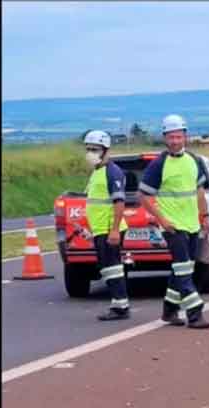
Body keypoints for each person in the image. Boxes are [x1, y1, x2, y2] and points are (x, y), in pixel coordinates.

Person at [137, 114, 209, 329]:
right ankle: (195, 313)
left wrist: (204, 216)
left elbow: (199, 191)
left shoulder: (193, 161)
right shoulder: (158, 164)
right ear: (164, 138)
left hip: (191, 223)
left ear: (185, 136)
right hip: (172, 226)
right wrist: (162, 220)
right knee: (183, 269)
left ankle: (169, 310)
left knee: (184, 267)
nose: (175, 141)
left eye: (178, 136)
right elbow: (143, 196)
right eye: (171, 137)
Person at [82, 130, 130, 321]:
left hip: (110, 229)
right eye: (88, 149)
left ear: (105, 150)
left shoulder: (112, 172)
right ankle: (119, 303)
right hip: (100, 229)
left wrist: (115, 230)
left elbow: (119, 203)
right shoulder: (97, 172)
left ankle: (120, 306)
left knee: (112, 267)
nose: (91, 153)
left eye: (95, 149)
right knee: (107, 268)